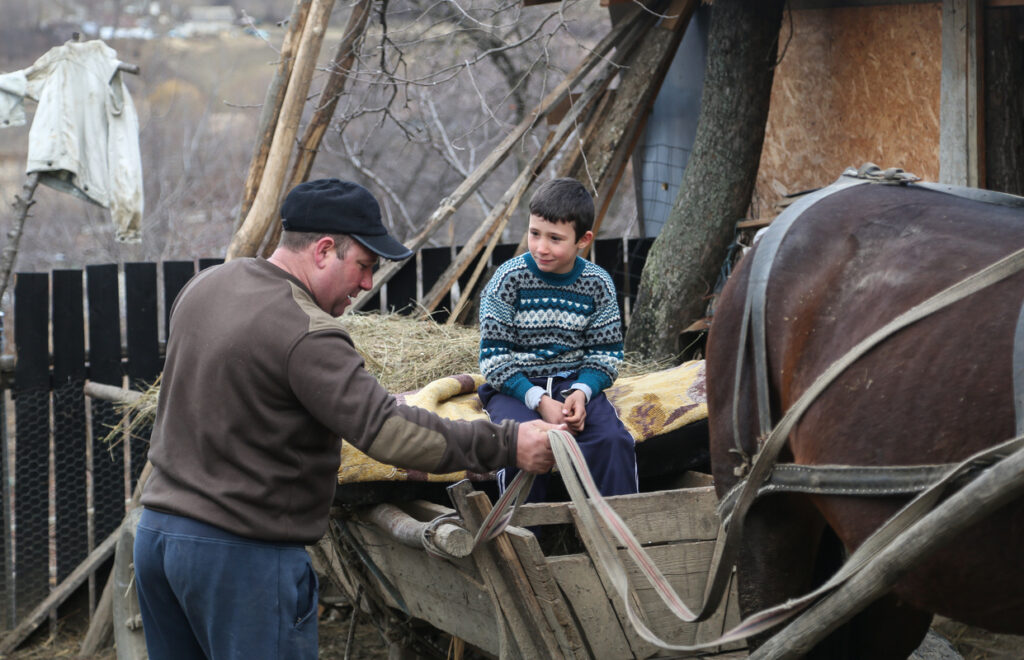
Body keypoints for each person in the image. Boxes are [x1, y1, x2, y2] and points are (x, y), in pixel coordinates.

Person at [133, 178, 561, 660]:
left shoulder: (206, 286)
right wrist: (508, 443)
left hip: (157, 540)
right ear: (322, 250)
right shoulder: (307, 331)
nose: (365, 284)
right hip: (241, 560)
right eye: (363, 265)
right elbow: (389, 433)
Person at [478, 177, 638, 503]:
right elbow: (494, 359)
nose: (541, 247)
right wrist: (538, 400)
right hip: (515, 388)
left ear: (583, 240)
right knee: (525, 445)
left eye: (555, 238)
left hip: (573, 384)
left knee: (613, 441)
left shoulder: (597, 284)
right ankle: (521, 540)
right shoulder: (508, 280)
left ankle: (620, 538)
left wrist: (583, 391)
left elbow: (605, 354)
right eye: (534, 233)